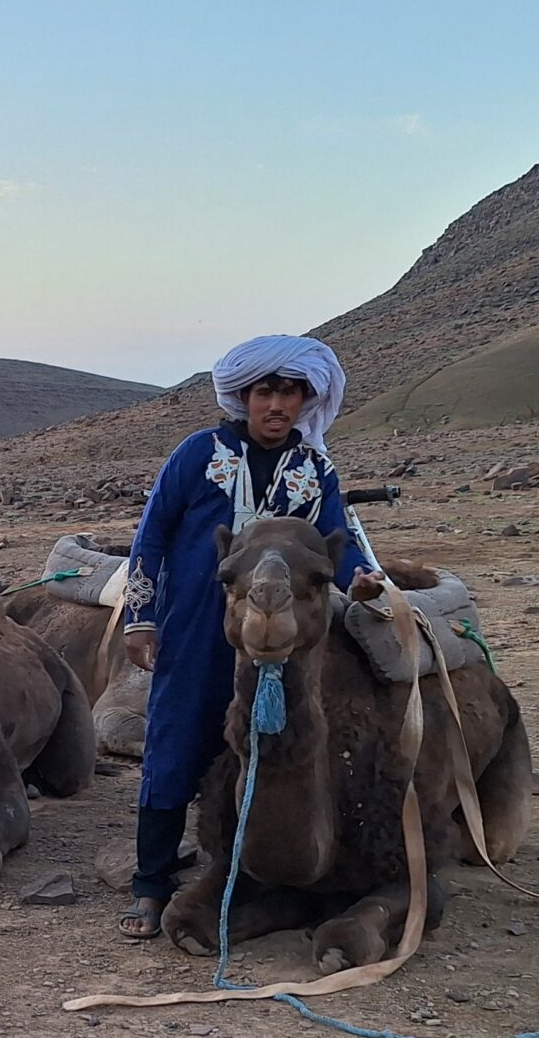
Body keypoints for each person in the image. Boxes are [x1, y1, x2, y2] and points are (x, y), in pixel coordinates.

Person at [117, 335, 378, 940]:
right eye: (266, 392)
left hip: (281, 637)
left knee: (273, 742)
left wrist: (362, 578)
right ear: (245, 396)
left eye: (290, 394)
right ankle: (152, 883)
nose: (277, 406)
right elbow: (152, 535)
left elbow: (335, 543)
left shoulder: (314, 470)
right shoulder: (198, 454)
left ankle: (245, 866)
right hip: (197, 624)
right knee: (177, 739)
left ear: (305, 401)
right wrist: (141, 616)